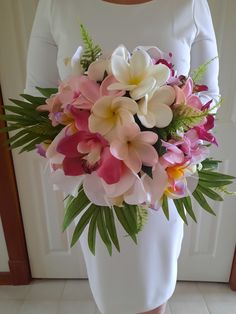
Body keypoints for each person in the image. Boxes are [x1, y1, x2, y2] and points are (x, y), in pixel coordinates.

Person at [25, 1, 219, 313]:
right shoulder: (55, 4)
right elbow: (38, 100)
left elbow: (209, 97)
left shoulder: (190, 3)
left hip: (160, 181)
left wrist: (163, 129)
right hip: (97, 182)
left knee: (156, 288)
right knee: (111, 291)